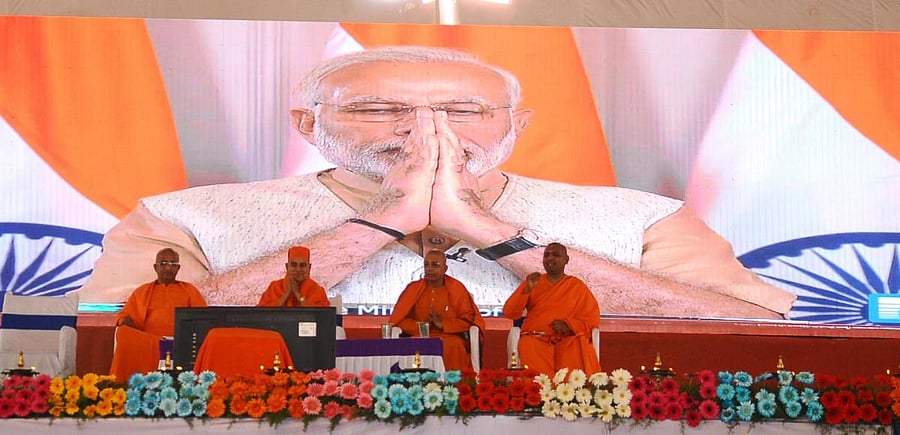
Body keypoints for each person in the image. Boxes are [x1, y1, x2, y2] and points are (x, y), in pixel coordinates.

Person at [78, 45, 796, 320]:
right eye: (379, 108)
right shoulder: (179, 217)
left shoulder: (647, 216)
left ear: (518, 122)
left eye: (462, 110)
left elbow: (756, 327)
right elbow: (116, 332)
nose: (426, 131)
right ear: (307, 123)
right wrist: (376, 225)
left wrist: (488, 233)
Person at [109, 248, 207, 380]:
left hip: (181, 342)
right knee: (123, 332)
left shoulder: (189, 290)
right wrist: (126, 321)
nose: (168, 268)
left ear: (178, 268)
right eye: (164, 263)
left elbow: (203, 317)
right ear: (155, 267)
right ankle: (124, 383)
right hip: (148, 342)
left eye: (173, 264)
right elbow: (124, 316)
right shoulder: (142, 291)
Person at [503, 243, 600, 375]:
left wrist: (569, 326)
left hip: (567, 339)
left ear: (566, 260)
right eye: (547, 255)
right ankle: (536, 394)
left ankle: (571, 394)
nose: (550, 258)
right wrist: (526, 290)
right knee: (530, 354)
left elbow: (591, 318)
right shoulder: (533, 282)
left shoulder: (576, 286)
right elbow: (510, 313)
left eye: (556, 255)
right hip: (535, 339)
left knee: (578, 350)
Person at [388, 250, 486, 371]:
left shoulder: (457, 289)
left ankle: (454, 387)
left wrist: (443, 324)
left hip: (450, 337)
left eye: (435, 265)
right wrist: (422, 326)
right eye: (426, 264)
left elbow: (468, 320)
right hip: (419, 336)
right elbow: (399, 320)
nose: (429, 269)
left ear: (445, 268)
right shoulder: (413, 289)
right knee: (412, 345)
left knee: (454, 346)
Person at [257, 245, 330, 307]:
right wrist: (286, 294)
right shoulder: (274, 288)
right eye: (294, 265)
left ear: (309, 268)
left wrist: (298, 295)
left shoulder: (317, 290)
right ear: (287, 267)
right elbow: (263, 314)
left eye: (302, 265)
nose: (298, 269)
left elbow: (322, 316)